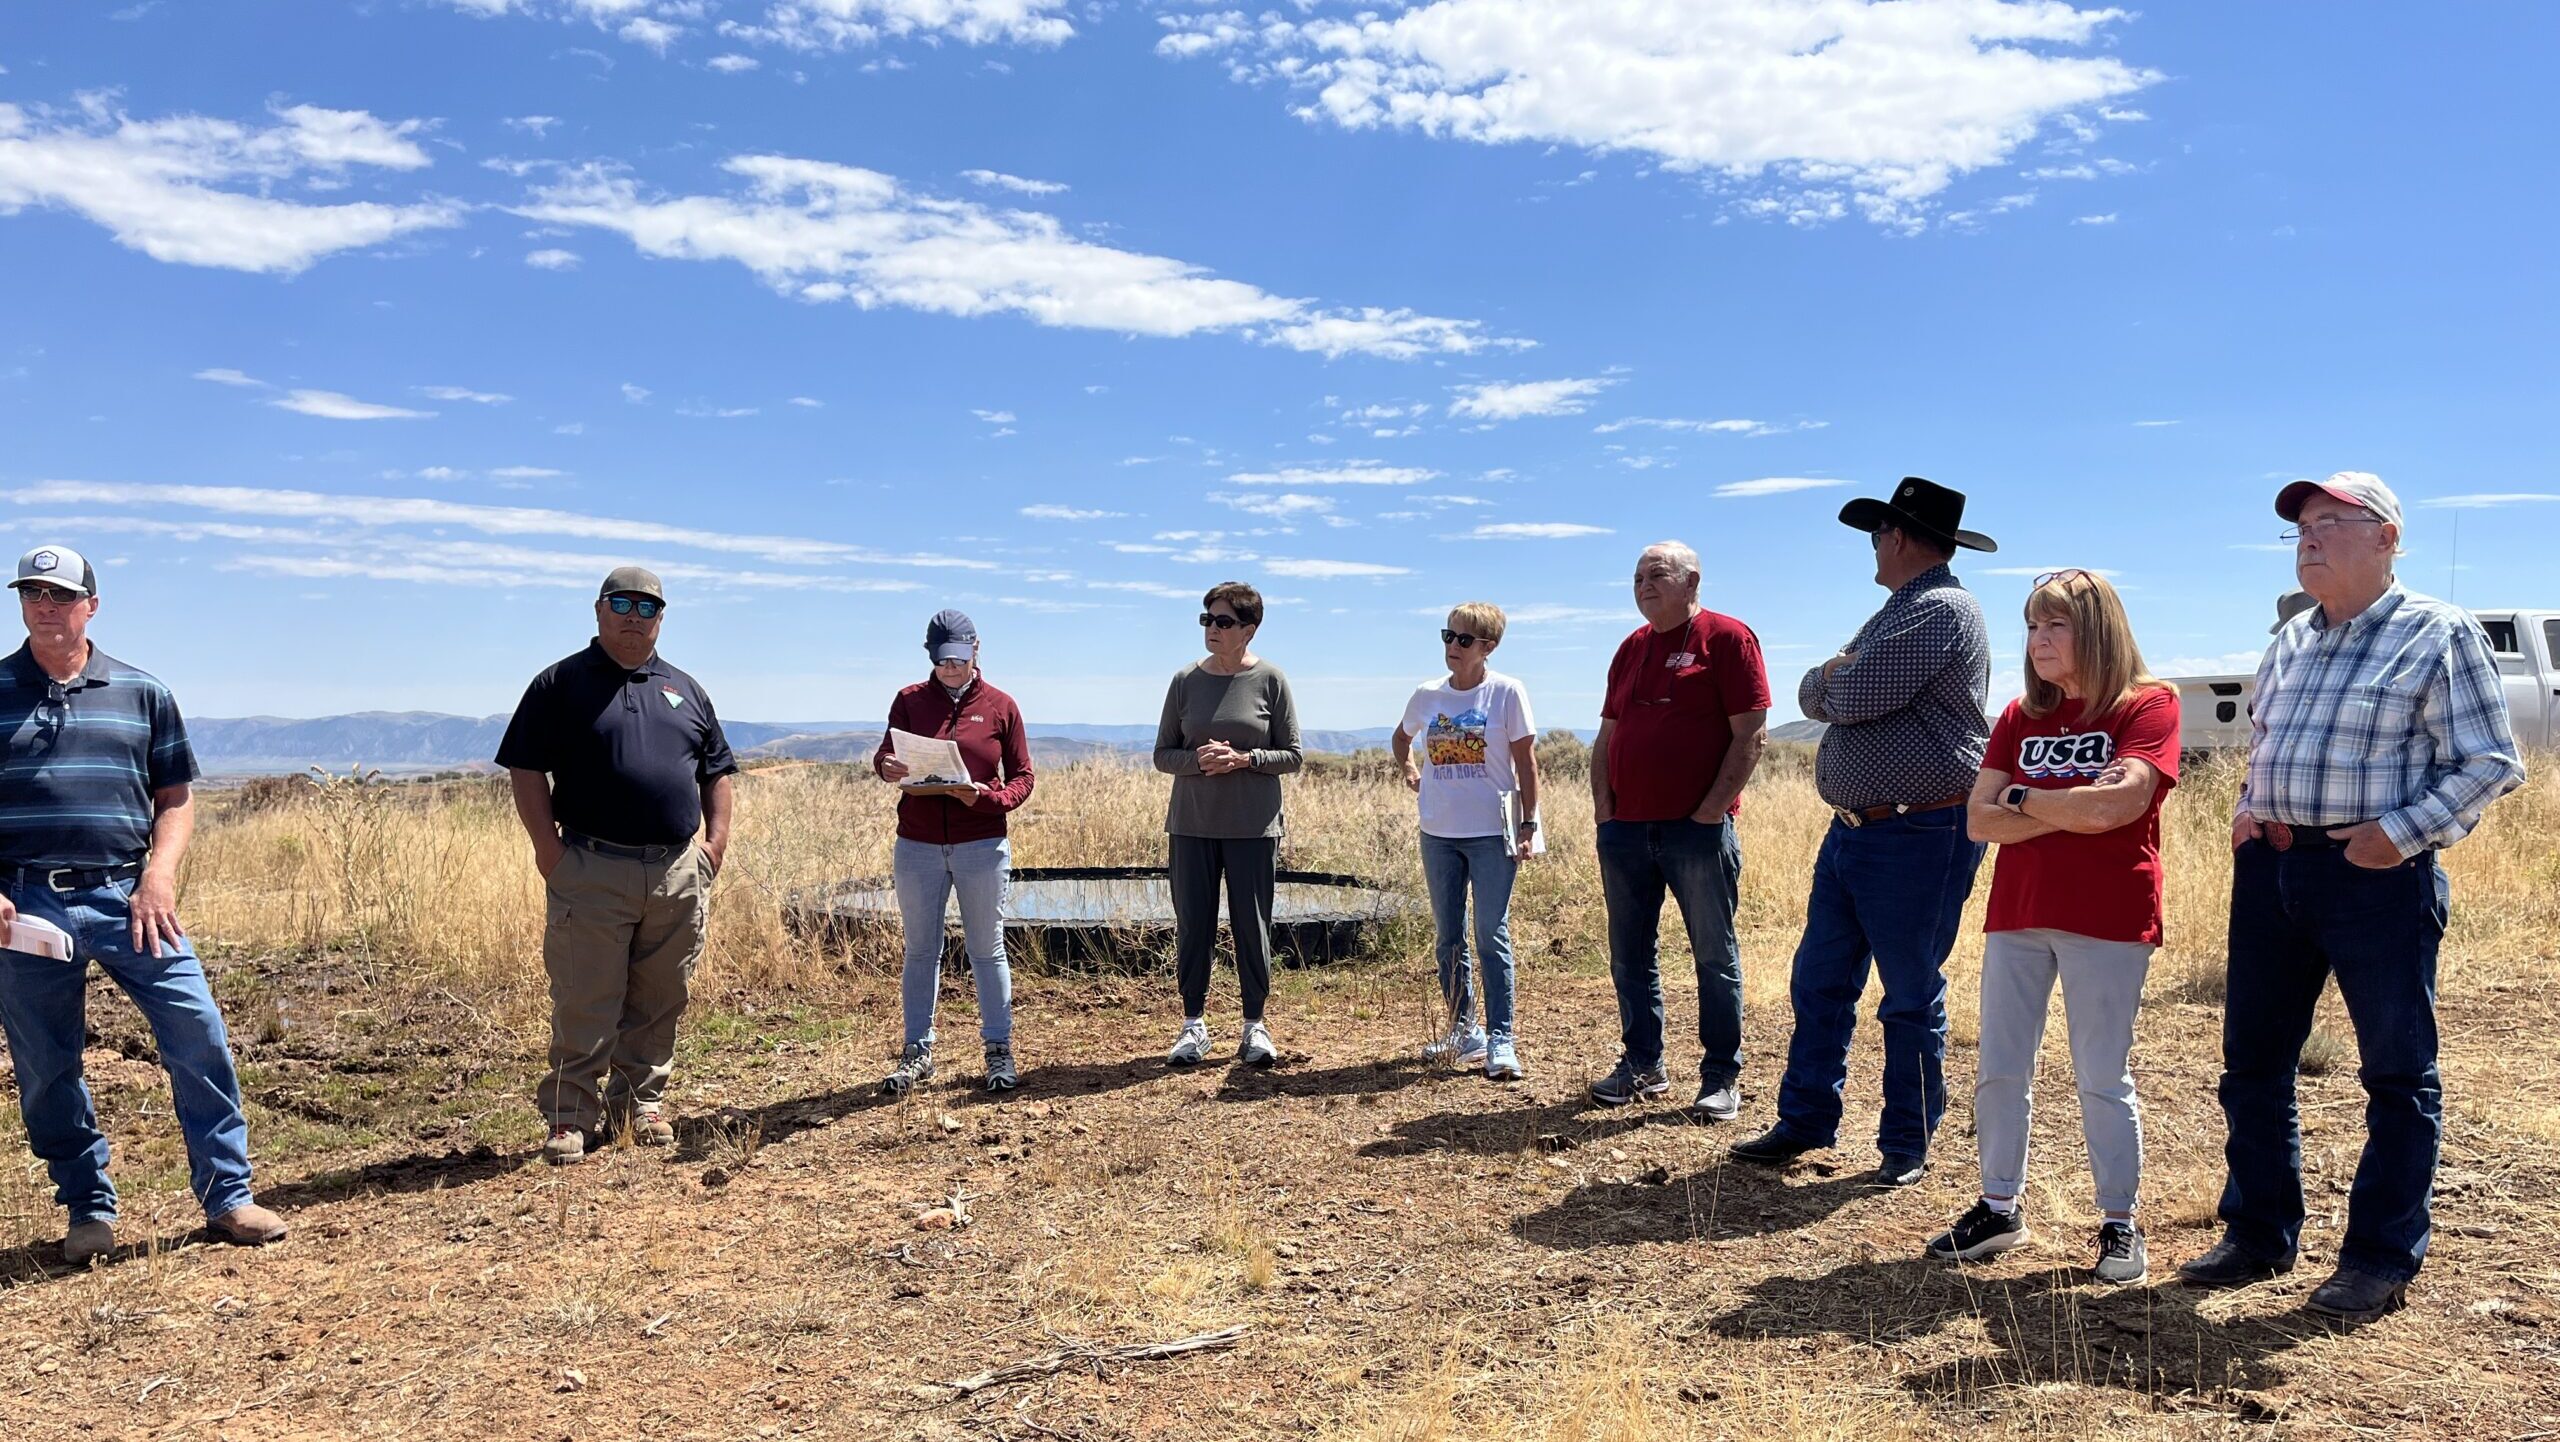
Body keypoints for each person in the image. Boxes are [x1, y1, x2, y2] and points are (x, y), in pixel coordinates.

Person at [2181, 473, 2524, 1320]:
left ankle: (2379, 1257)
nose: (2309, 537)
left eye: (2331, 522)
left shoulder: (2436, 634)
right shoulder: (2292, 638)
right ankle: (2259, 1233)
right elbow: (2262, 742)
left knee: (2397, 1074)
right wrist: (2247, 809)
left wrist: (2399, 834)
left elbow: (2490, 762)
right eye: (2301, 525)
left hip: (2374, 876)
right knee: (2253, 1063)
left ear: (2387, 539)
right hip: (2274, 870)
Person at [0, 544, 288, 1263]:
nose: (44, 605)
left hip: (132, 899)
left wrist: (159, 875)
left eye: (60, 595)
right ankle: (88, 1208)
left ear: (90, 605)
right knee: (45, 1069)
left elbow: (176, 799)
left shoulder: (141, 691)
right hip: (25, 907)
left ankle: (228, 1197)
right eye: (31, 593)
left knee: (198, 1033)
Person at [1734, 477, 1994, 1188]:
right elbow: (1820, 690)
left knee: (1908, 993)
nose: (1874, 547)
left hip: (1919, 833)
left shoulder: (1944, 608)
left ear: (1901, 537)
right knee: (1820, 979)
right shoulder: (1900, 610)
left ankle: (1905, 1144)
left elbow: (1848, 693)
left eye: (1878, 533)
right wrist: (1830, 680)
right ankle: (1807, 1119)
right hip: (1858, 833)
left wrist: (1832, 679)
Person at [1925, 570, 2179, 1284]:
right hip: (2020, 913)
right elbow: (1979, 819)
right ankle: (2000, 1208)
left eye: (2055, 625)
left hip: (2108, 916)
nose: (2038, 639)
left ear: (2095, 630)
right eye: (2033, 626)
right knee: (2001, 1067)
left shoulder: (2148, 705)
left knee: (2101, 1074)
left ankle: (2118, 1225)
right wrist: (2062, 802)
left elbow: (2118, 807)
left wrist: (2022, 798)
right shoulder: (2018, 715)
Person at [498, 566, 736, 1166]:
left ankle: (639, 1106)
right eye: (623, 604)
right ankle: (570, 1116)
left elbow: (718, 772)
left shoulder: (685, 689)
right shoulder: (559, 685)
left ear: (662, 618)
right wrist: (549, 852)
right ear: (600, 610)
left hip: (677, 871)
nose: (635, 616)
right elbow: (526, 770)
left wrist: (715, 848)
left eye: (648, 607)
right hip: (591, 866)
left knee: (662, 994)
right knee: (586, 995)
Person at [1588, 543, 1771, 1114]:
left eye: (1656, 574)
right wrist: (1604, 810)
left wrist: (1711, 811)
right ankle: (1643, 1064)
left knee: (1713, 955)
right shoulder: (1630, 648)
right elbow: (1606, 736)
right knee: (1629, 953)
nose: (1643, 584)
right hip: (1626, 830)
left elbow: (1751, 736)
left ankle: (1720, 1076)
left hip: (1696, 831)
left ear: (1692, 580)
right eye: (1637, 576)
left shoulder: (1728, 639)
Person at [872, 610, 1034, 1095]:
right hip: (918, 844)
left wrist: (988, 798)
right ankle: (917, 1054)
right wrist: (888, 767)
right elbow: (884, 757)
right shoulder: (908, 701)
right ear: (930, 655)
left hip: (981, 843)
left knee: (987, 948)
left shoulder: (1002, 706)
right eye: (943, 661)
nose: (951, 669)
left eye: (959, 659)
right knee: (921, 951)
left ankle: (998, 1052)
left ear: (976, 649)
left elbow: (1023, 776)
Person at [1154, 582, 1302, 1067]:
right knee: (1193, 923)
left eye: (1222, 622)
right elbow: (1163, 755)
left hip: (1253, 828)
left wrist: (1246, 758)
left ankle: (1254, 1026)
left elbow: (1293, 756)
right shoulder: (1184, 682)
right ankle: (1193, 1025)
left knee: (1251, 926)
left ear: (1248, 629)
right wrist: (1198, 761)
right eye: (1207, 620)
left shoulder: (1272, 680)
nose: (1211, 629)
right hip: (1192, 825)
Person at [1393, 603, 1543, 1081]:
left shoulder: (1506, 693)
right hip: (1438, 832)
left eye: (1464, 640)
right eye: (1448, 636)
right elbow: (1401, 738)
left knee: (1489, 934)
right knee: (1448, 937)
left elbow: (1527, 764)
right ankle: (1464, 1030)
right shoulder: (1427, 694)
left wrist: (1529, 824)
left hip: (1491, 834)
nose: (1452, 647)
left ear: (1488, 647)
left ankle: (1502, 1038)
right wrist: (1410, 770)